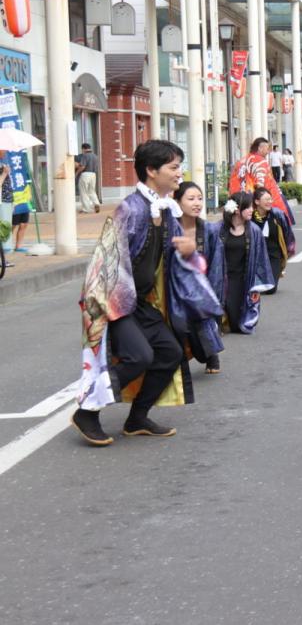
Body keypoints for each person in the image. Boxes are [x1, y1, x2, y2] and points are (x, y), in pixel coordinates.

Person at [73, 140, 224, 446]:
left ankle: (137, 417)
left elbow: (176, 257)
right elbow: (106, 260)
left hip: (141, 302)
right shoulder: (131, 208)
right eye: (173, 167)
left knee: (170, 352)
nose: (179, 173)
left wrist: (187, 251)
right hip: (115, 301)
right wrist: (109, 308)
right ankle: (87, 411)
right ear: (151, 171)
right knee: (138, 356)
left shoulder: (165, 208)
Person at [173, 182, 225, 375]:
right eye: (191, 199)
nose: (197, 203)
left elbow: (216, 265)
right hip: (177, 289)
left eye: (200, 198)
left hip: (201, 288)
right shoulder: (170, 229)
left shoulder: (210, 231)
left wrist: (213, 297)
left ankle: (212, 356)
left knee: (203, 327)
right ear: (177, 202)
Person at [220, 191, 275, 334]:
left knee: (240, 323)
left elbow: (260, 258)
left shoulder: (254, 231)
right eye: (248, 207)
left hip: (245, 277)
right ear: (237, 210)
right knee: (227, 318)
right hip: (223, 277)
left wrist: (257, 284)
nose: (252, 210)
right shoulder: (219, 229)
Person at [230, 137, 293, 224]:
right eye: (267, 149)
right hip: (264, 201)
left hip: (240, 201)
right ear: (260, 148)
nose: (268, 152)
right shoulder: (259, 160)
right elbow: (260, 184)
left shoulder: (241, 161)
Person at [251, 187, 295, 294]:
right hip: (255, 255)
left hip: (274, 254)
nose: (269, 202)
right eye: (266, 199)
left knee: (270, 289)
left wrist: (289, 250)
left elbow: (287, 233)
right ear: (257, 201)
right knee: (252, 288)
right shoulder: (250, 217)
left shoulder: (277, 214)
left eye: (270, 199)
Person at [75, 142, 101, 213]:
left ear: (83, 149)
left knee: (83, 192)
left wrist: (77, 173)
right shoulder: (95, 156)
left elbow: (82, 166)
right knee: (92, 191)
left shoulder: (85, 156)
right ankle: (96, 203)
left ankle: (86, 209)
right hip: (93, 175)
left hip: (85, 174)